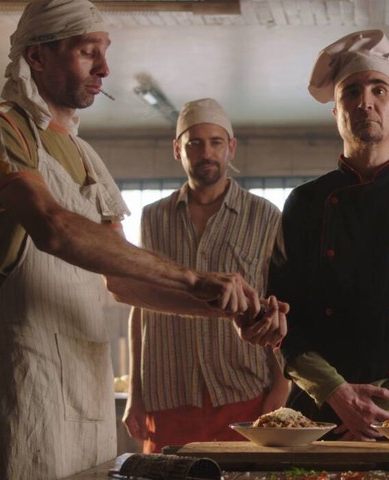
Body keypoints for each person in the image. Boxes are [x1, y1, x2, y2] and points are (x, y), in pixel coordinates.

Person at [0, 2, 286, 477]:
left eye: (104, 52)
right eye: (88, 52)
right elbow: (54, 227)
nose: (105, 69)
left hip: (88, 374)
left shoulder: (87, 157)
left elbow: (123, 282)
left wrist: (226, 308)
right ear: (37, 57)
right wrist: (194, 279)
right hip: (25, 366)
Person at [268, 30, 389, 441]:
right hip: (322, 413)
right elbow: (283, 318)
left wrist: (384, 407)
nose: (366, 101)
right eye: (351, 92)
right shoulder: (304, 202)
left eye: (380, 89)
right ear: (336, 112)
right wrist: (336, 393)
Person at [123, 98, 290, 453]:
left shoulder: (264, 216)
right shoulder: (153, 218)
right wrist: (135, 395)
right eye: (194, 143)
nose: (206, 153)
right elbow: (140, 308)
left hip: (243, 392)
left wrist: (281, 387)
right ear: (177, 150)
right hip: (168, 395)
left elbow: (278, 305)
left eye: (216, 142)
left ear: (231, 147)